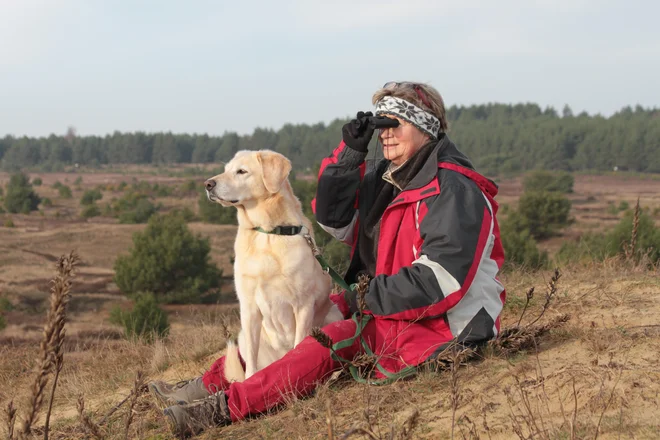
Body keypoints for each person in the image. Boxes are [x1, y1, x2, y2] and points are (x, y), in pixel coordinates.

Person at [151, 81, 506, 438]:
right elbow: (334, 221)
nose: (385, 133)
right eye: (380, 124)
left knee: (328, 339)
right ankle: (209, 383)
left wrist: (366, 296)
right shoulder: (392, 177)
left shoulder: (454, 190)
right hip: (395, 303)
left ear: (426, 126)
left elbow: (442, 282)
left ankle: (220, 409)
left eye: (396, 122)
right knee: (308, 308)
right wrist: (351, 154)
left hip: (445, 326)